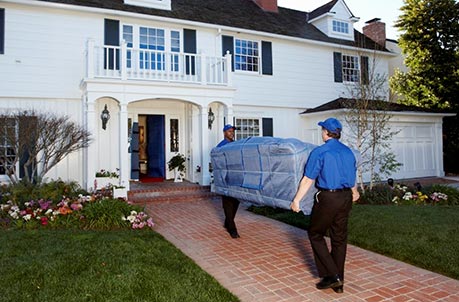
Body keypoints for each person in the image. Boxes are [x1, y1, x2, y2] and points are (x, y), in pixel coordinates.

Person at [290, 117, 359, 294]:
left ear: (326, 132)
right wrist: (354, 191)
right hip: (345, 197)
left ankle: (333, 275)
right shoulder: (348, 152)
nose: (321, 132)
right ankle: (338, 283)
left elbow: (307, 179)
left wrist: (296, 200)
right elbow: (351, 175)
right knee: (339, 238)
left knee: (315, 233)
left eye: (322, 130)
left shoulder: (320, 152)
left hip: (328, 198)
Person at [217, 124, 240, 239]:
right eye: (230, 131)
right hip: (225, 178)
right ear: (224, 132)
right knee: (228, 203)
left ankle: (227, 222)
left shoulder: (235, 144)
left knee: (236, 201)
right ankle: (232, 229)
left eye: (232, 131)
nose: (232, 133)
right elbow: (218, 163)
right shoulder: (221, 146)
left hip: (235, 177)